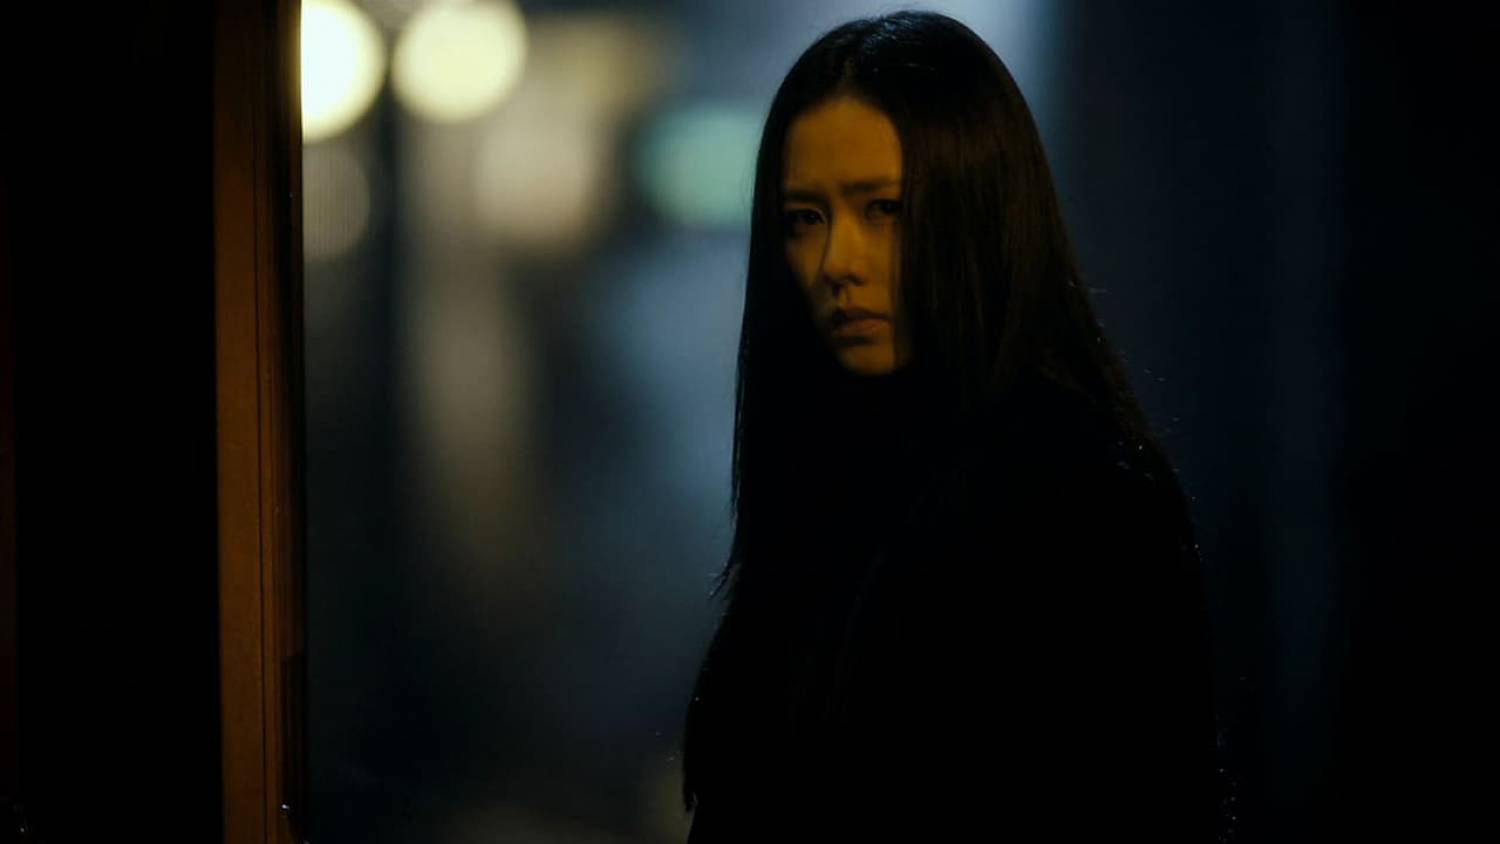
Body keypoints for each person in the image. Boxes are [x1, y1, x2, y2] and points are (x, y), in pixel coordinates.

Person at [680, 11, 1226, 841]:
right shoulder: (823, 492)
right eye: (804, 219)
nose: (837, 263)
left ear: (977, 209)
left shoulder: (1082, 503)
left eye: (884, 208)